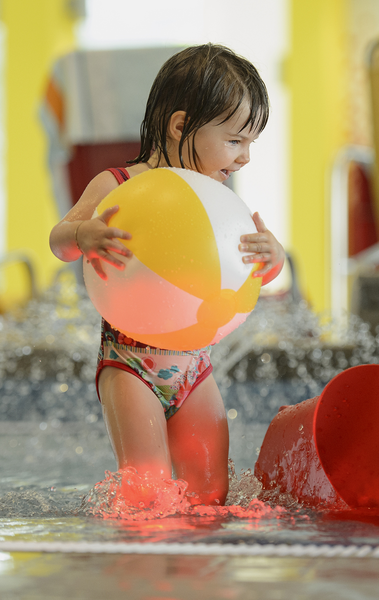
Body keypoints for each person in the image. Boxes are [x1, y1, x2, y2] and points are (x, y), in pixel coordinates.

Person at [49, 44, 285, 506]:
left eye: (251, 144)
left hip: (196, 367)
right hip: (131, 364)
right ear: (181, 126)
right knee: (146, 492)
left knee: (211, 492)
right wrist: (85, 234)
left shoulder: (218, 201)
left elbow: (259, 272)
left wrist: (272, 256)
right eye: (236, 141)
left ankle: (197, 571)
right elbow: (60, 241)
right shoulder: (118, 184)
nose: (245, 158)